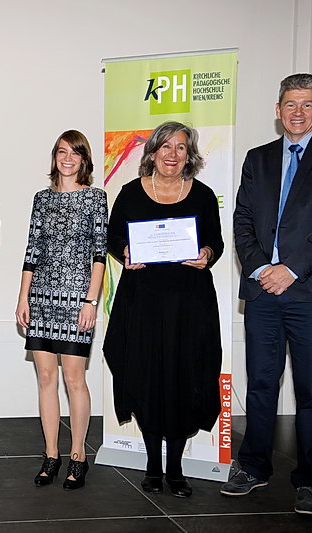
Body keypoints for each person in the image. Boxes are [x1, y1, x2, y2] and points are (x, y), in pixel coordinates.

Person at [222, 73, 312, 515]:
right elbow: (242, 220)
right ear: (278, 110)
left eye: (307, 104)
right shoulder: (258, 158)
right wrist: (263, 269)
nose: (298, 112)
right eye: (290, 104)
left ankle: (309, 481)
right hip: (263, 290)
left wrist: (291, 269)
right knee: (261, 384)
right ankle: (253, 467)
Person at [104, 121, 223, 498]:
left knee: (183, 381)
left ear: (190, 155)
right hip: (143, 303)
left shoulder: (203, 195)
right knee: (148, 379)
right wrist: (124, 251)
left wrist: (207, 253)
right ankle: (153, 467)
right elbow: (113, 236)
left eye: (181, 148)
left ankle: (176, 469)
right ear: (153, 152)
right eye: (166, 147)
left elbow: (216, 241)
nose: (173, 154)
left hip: (190, 306)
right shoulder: (130, 193)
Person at [15, 130, 107, 490]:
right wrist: (23, 297)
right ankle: (51, 454)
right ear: (55, 157)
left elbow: (100, 254)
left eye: (75, 153)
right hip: (41, 298)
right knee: (45, 378)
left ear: (84, 160)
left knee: (74, 379)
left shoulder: (96, 198)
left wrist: (91, 301)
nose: (67, 159)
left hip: (77, 300)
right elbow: (31, 250)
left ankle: (78, 455)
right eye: (62, 152)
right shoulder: (41, 199)